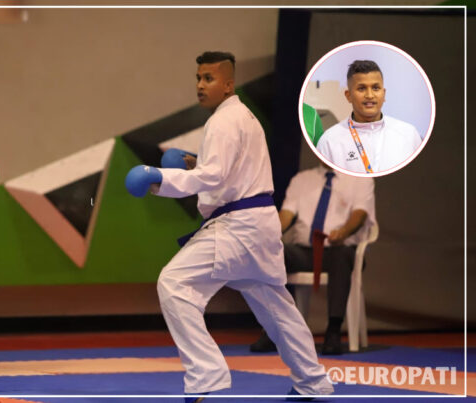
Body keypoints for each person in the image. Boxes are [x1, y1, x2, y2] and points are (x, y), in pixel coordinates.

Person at [124, 51, 334, 401]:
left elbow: (215, 175)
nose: (200, 85)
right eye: (198, 78)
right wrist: (195, 163)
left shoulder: (222, 121)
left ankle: (206, 376)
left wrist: (158, 176)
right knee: (277, 308)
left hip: (237, 227)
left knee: (174, 283)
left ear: (228, 84)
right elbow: (227, 171)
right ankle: (313, 383)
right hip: (259, 225)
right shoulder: (244, 117)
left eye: (209, 78)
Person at [250, 163, 375, 355]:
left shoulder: (360, 178)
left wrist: (342, 232)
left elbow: (360, 214)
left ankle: (333, 330)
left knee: (342, 257)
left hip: (338, 249)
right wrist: (269, 234)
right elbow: (286, 215)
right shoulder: (302, 179)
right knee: (273, 254)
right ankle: (274, 328)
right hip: (304, 252)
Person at [316, 60, 423, 174]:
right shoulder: (329, 141)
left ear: (384, 94)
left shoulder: (409, 134)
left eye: (375, 88)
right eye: (361, 88)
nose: (370, 95)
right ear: (348, 96)